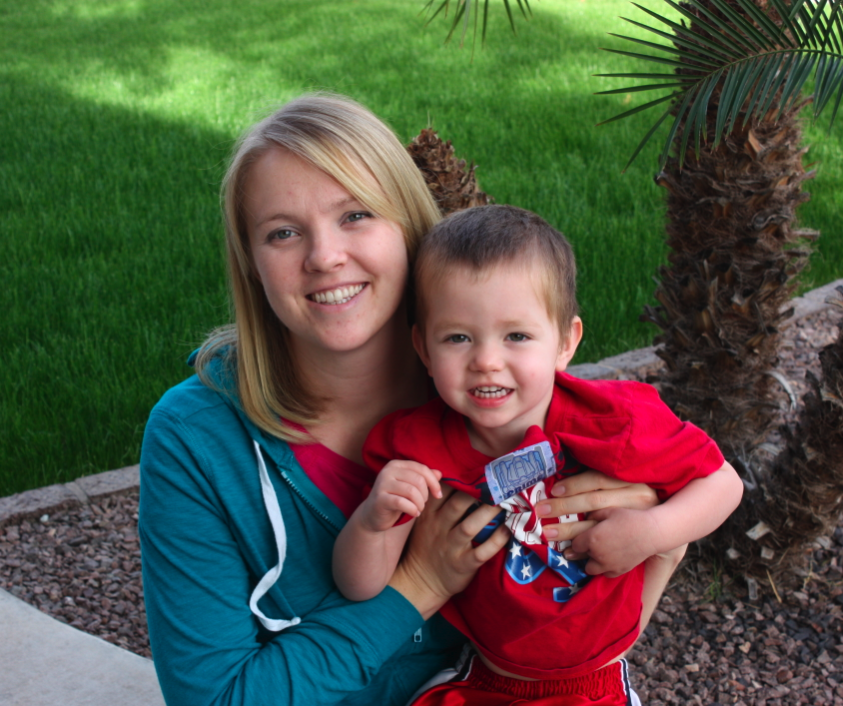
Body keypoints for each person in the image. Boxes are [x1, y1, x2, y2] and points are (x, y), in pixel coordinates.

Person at [139, 93, 676, 706]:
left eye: (356, 215)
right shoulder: (197, 439)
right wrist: (417, 585)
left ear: (410, 225)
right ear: (251, 264)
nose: (325, 257)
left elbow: (579, 644)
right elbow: (217, 699)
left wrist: (656, 527)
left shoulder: (498, 392)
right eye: (282, 232)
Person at [332, 205, 744, 705]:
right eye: (457, 337)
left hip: (596, 686)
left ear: (565, 343)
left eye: (517, 336)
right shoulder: (415, 448)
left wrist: (651, 533)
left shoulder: (616, 420)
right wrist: (374, 522)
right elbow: (360, 585)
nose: (486, 360)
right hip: (484, 678)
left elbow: (723, 484)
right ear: (423, 347)